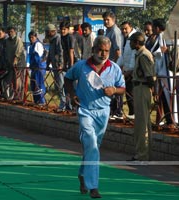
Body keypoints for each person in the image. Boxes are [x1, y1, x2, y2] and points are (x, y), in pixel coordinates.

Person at [64, 36, 125, 198]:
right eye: (100, 50)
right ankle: (94, 187)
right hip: (85, 110)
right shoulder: (81, 66)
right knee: (91, 143)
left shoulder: (114, 68)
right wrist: (72, 94)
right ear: (93, 50)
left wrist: (114, 90)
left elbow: (122, 88)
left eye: (106, 51)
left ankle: (83, 174)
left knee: (93, 147)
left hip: (103, 112)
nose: (103, 54)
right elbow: (68, 78)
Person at [128, 32, 155, 161]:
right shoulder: (139, 54)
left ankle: (142, 154)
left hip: (143, 87)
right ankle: (142, 152)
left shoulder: (144, 55)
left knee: (142, 123)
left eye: (132, 41)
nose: (130, 44)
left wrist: (152, 90)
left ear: (137, 43)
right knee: (141, 121)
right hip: (139, 87)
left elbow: (149, 76)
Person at [102, 10, 123, 120]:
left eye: (108, 20)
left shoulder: (115, 31)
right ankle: (111, 110)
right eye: (104, 20)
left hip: (114, 64)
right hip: (107, 63)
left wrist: (114, 65)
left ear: (113, 20)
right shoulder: (108, 31)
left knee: (116, 88)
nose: (106, 22)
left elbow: (118, 51)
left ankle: (118, 112)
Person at [117, 21, 136, 120]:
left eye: (126, 28)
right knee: (128, 93)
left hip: (132, 72)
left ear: (131, 28)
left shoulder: (134, 38)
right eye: (122, 29)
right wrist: (116, 67)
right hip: (126, 70)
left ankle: (134, 113)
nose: (124, 30)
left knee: (132, 93)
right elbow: (123, 55)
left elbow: (134, 56)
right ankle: (132, 113)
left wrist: (131, 70)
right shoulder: (124, 38)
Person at [45, 24, 64, 112]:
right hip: (54, 66)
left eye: (47, 32)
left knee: (61, 85)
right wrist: (47, 63)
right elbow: (50, 53)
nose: (47, 34)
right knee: (58, 86)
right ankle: (63, 103)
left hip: (59, 67)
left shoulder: (58, 39)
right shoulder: (52, 40)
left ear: (52, 31)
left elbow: (60, 52)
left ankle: (64, 104)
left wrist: (60, 64)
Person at [28, 31, 47, 105]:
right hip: (34, 68)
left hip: (39, 68)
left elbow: (38, 57)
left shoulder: (38, 44)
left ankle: (42, 101)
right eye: (30, 37)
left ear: (35, 37)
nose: (31, 39)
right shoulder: (31, 46)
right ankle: (36, 101)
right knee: (34, 84)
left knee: (39, 84)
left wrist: (36, 65)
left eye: (32, 37)